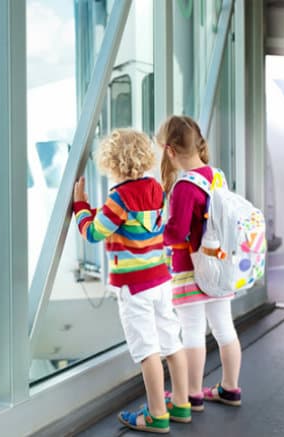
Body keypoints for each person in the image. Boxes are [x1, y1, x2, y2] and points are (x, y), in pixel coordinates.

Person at [73, 129, 191, 433]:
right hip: (161, 281)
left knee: (147, 350)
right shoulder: (155, 188)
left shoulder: (118, 197)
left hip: (135, 287)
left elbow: (93, 232)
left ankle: (156, 414)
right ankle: (180, 404)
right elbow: (134, 221)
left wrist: (80, 207)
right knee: (171, 342)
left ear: (111, 163)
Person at [157, 115, 243, 411]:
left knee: (192, 331)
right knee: (224, 328)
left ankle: (192, 393)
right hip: (219, 264)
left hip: (189, 269)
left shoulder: (183, 187)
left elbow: (176, 232)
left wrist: (156, 230)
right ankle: (230, 388)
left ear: (170, 151)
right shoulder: (215, 175)